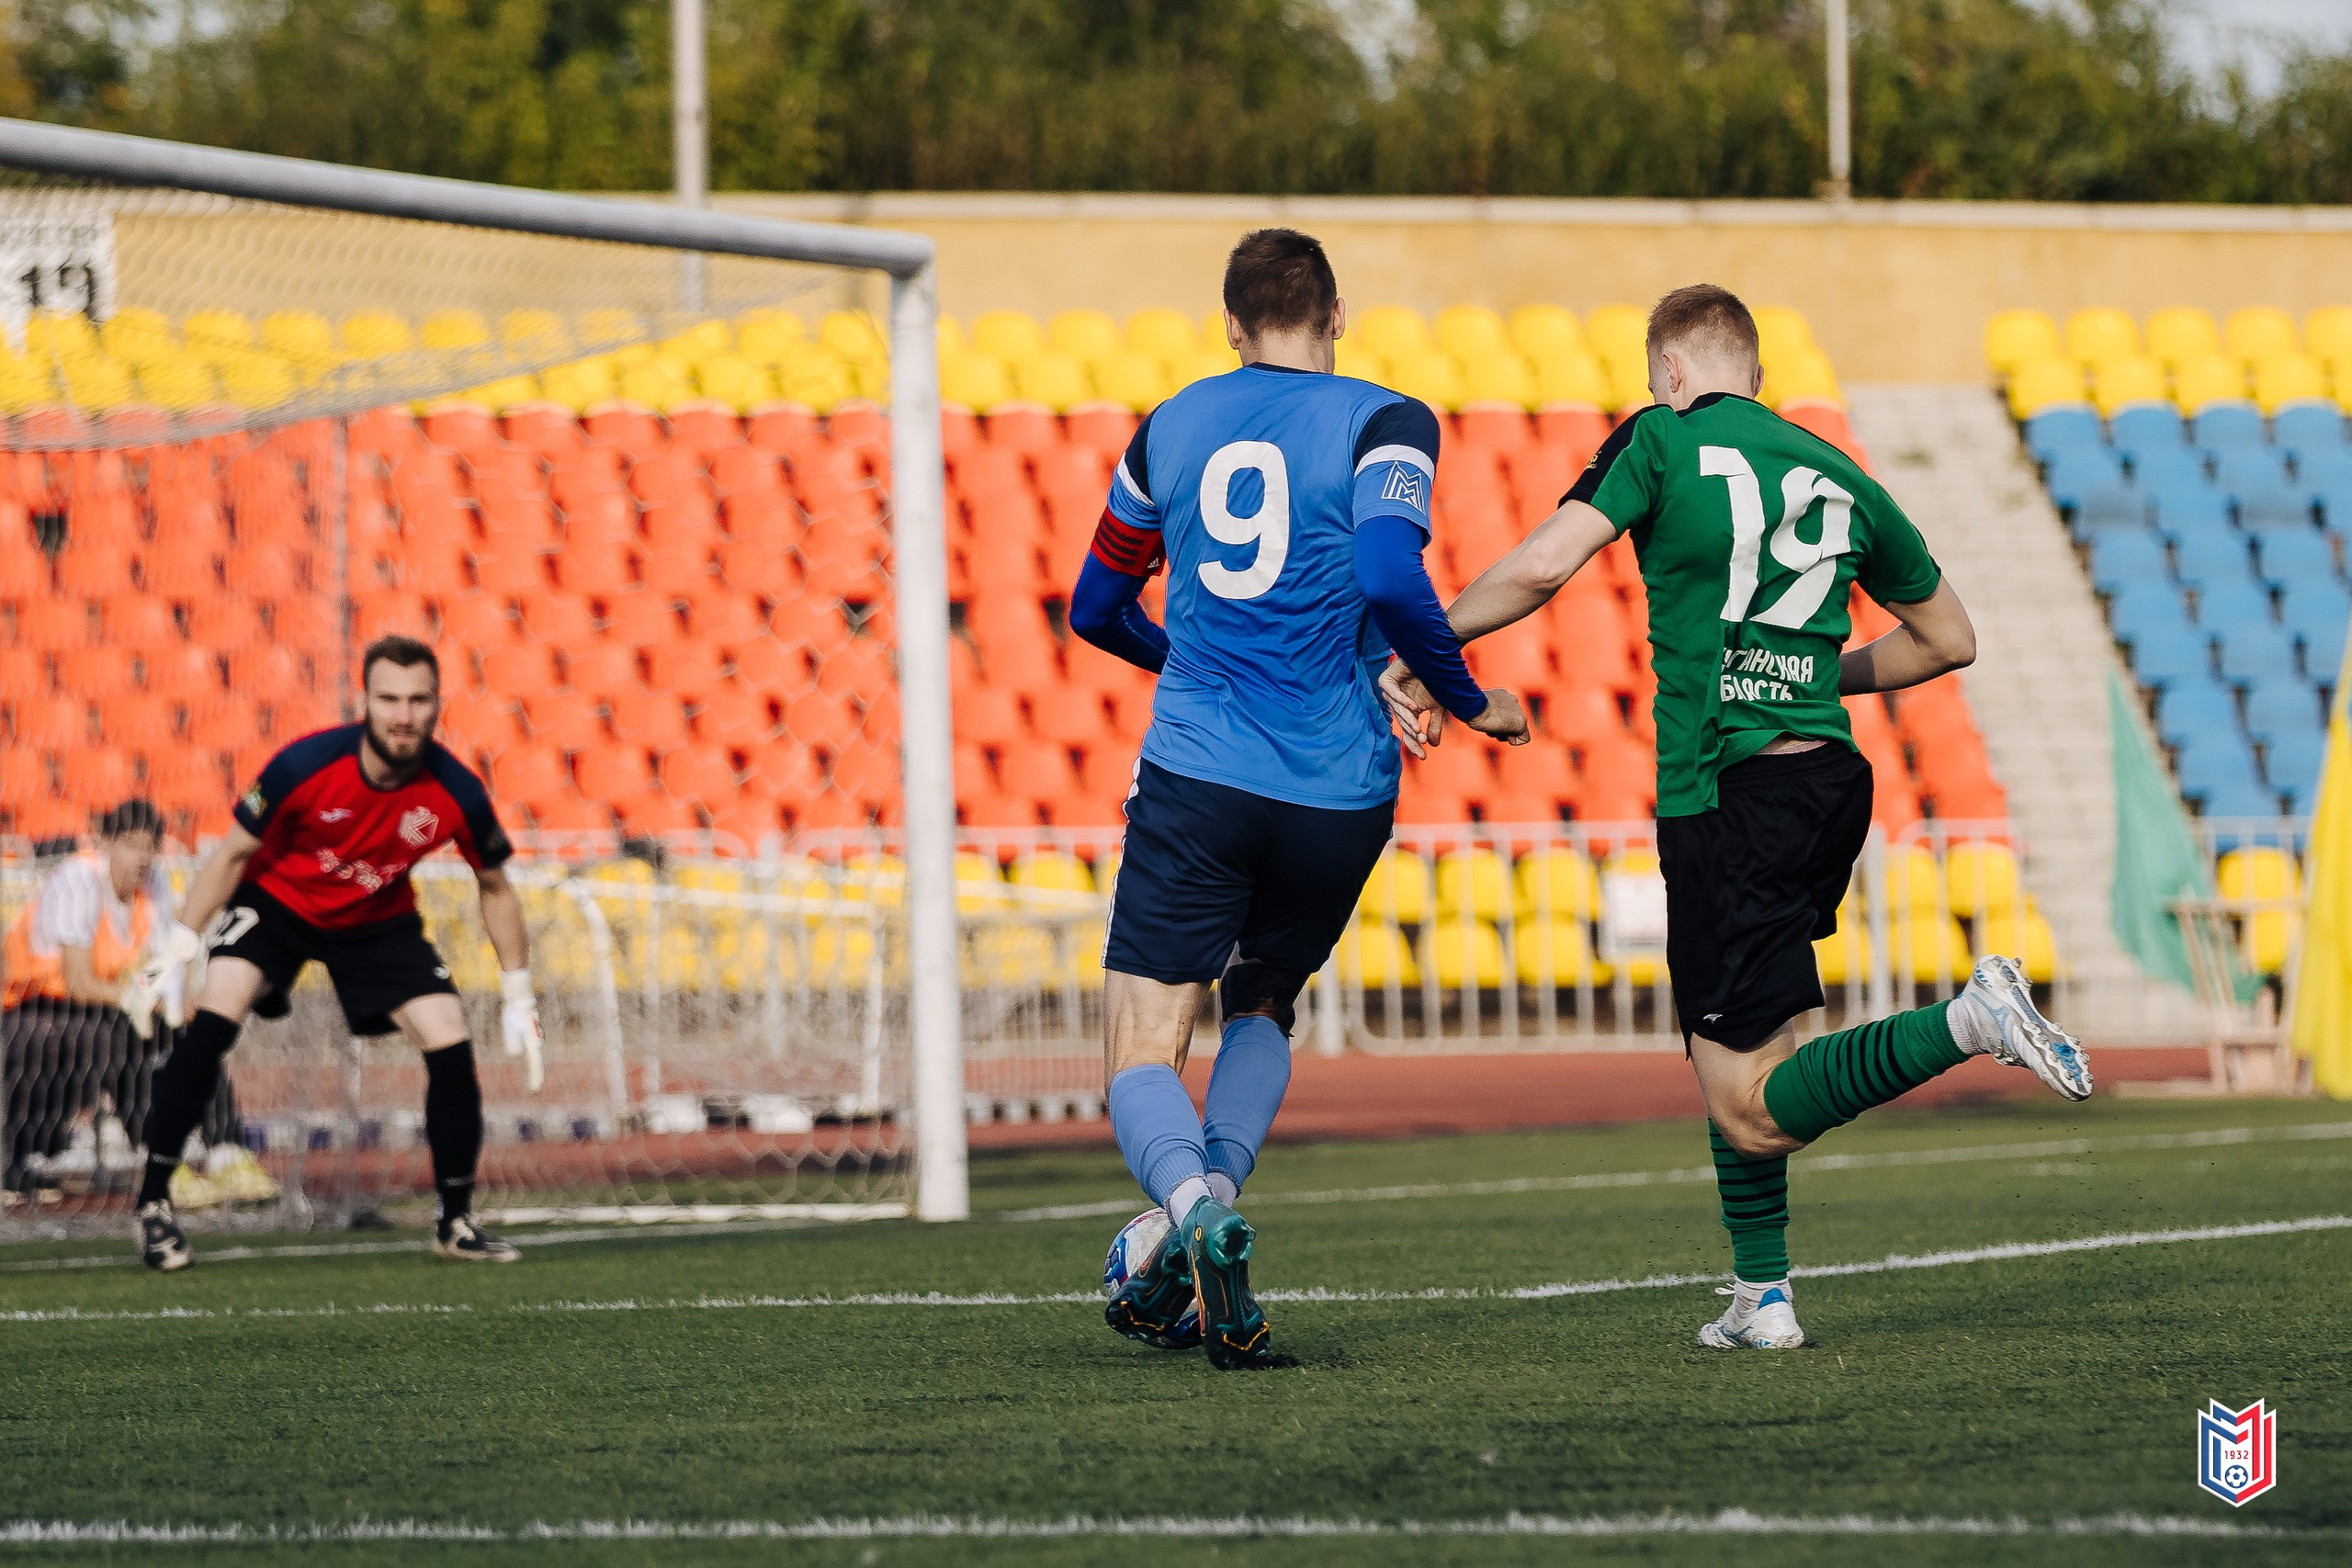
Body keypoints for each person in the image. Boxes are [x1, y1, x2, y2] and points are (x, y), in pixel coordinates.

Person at [1382, 284, 2092, 1350]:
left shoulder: (1662, 437)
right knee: (1731, 1042)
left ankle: (1971, 1019)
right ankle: (1761, 1296)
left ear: (1669, 373)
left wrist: (1429, 661)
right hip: (1826, 785)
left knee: (1748, 1102)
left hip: (1728, 787)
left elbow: (1539, 565)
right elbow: (1948, 641)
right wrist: (1805, 672)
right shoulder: (1836, 470)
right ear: (1753, 375)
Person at [1069, 228, 1528, 1369]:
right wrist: (1460, 697)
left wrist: (1189, 662)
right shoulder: (1388, 419)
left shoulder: (1168, 426)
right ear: (1336, 314)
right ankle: (1219, 1186)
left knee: (1141, 1045)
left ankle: (1191, 1209)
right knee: (1262, 1004)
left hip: (1201, 770)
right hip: (1338, 788)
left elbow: (1093, 606)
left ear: (1229, 324)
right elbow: (1385, 572)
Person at [133, 636, 545, 1270]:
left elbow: (495, 885)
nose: (403, 714)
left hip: (377, 919)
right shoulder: (304, 765)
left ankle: (455, 1221)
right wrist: (182, 941)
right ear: (364, 702)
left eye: (417, 699)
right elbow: (233, 854)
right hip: (278, 903)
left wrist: (518, 991)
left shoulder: (457, 790)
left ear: (438, 704)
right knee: (216, 1015)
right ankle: (154, 1204)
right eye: (389, 699)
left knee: (450, 1036)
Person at [0, 799, 247, 1206]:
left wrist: (169, 1005)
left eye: (150, 847)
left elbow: (159, 963)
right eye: (131, 846)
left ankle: (228, 1151)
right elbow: (77, 981)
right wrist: (136, 1000)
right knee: (115, 1043)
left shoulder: (155, 887)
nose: (142, 858)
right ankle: (160, 1160)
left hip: (105, 1009)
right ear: (106, 844)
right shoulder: (77, 881)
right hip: (34, 1011)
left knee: (192, 1036)